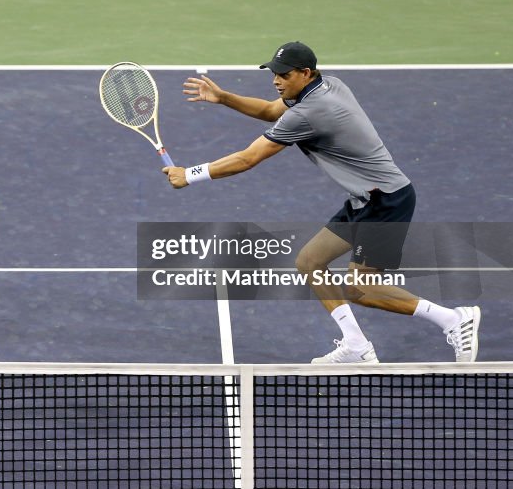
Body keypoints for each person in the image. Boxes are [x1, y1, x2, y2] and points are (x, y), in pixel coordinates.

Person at [162, 42, 480, 364]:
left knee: (361, 289)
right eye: (273, 73)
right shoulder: (327, 86)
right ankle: (356, 345)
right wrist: (224, 98)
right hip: (365, 199)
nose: (276, 80)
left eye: (284, 75)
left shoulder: (310, 113)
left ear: (305, 72)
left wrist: (190, 175)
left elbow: (248, 159)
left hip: (386, 201)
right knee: (310, 262)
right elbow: (271, 111)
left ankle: (453, 319)